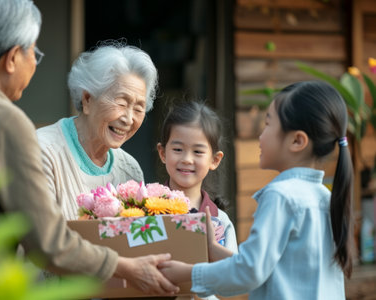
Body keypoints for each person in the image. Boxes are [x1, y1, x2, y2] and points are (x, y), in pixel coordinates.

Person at [0, 0, 178, 295]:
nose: (35, 61)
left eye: (138, 107)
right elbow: (48, 244)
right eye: (33, 51)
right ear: (11, 59)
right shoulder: (6, 123)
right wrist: (129, 268)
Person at [158, 81, 354, 299]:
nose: (260, 136)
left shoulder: (281, 196)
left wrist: (188, 273)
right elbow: (265, 270)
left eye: (268, 125)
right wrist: (214, 251)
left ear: (297, 141)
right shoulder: (324, 196)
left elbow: (249, 272)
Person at [36, 42, 156, 221]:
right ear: (87, 100)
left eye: (139, 108)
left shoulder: (130, 171)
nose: (129, 119)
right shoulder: (43, 151)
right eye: (121, 103)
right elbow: (45, 239)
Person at [156, 101, 238, 254]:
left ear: (214, 160)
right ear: (162, 153)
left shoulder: (220, 221)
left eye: (198, 152)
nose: (187, 159)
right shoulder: (143, 211)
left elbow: (232, 273)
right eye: (178, 149)